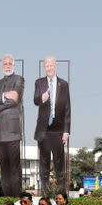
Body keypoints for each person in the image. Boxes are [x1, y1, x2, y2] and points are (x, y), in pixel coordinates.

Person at [0, 53, 24, 197]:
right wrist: (4, 96)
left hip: (13, 131)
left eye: (10, 63)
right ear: (2, 66)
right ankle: (7, 199)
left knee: (14, 168)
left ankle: (16, 199)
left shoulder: (19, 79)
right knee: (4, 168)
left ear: (13, 65)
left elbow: (15, 99)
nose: (7, 66)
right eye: (5, 64)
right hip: (0, 131)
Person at [34, 56, 71, 192]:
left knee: (59, 164)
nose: (49, 68)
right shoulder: (39, 83)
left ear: (55, 66)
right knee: (44, 164)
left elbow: (67, 107)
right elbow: (35, 100)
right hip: (44, 130)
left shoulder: (64, 84)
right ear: (45, 67)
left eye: (51, 65)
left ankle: (61, 194)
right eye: (47, 66)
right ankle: (44, 193)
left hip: (58, 130)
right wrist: (42, 98)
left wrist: (66, 131)